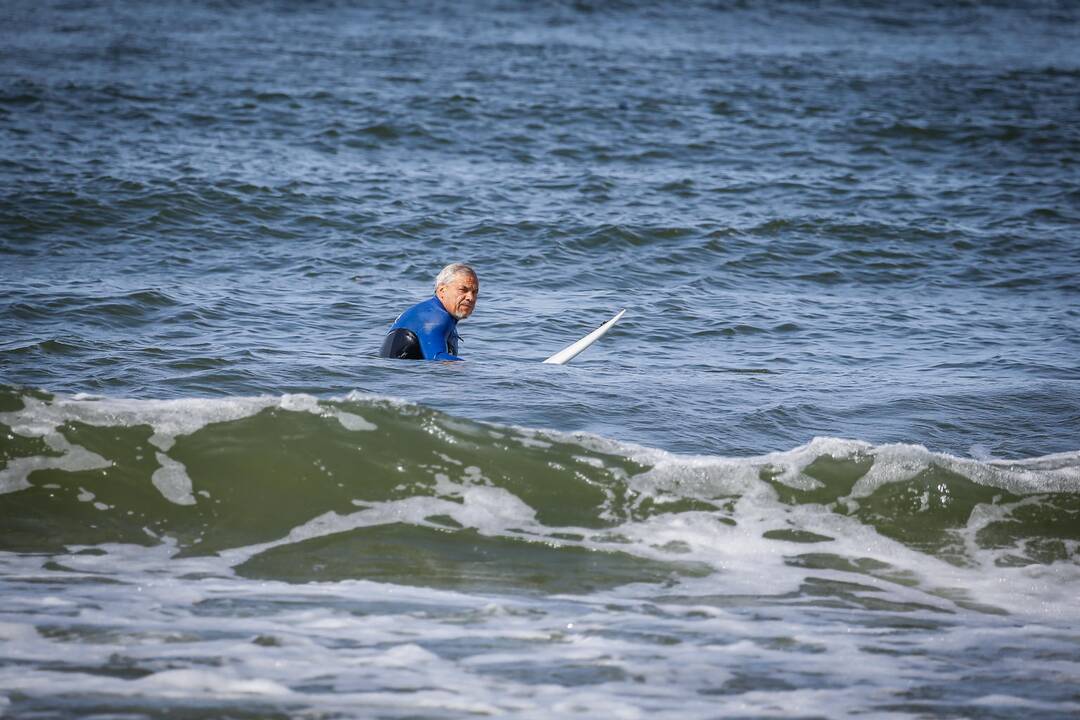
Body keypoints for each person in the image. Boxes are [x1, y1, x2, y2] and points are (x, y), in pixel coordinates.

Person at [378, 263, 479, 361]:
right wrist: (476, 371)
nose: (470, 297)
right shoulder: (434, 317)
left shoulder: (444, 318)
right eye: (463, 290)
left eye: (474, 292)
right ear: (442, 290)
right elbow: (436, 358)